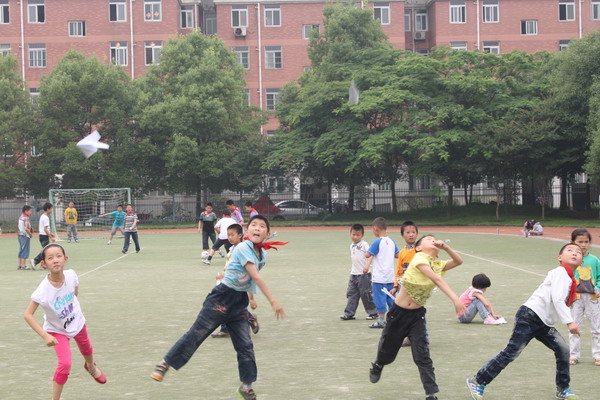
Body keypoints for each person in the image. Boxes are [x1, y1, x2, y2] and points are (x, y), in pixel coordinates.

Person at [150, 215, 286, 400]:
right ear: (246, 231)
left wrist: (251, 299)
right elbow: (255, 277)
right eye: (253, 224)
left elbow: (247, 281)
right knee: (197, 333)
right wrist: (273, 301)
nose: (257, 228)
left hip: (238, 303)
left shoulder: (262, 254)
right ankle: (165, 363)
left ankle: (246, 386)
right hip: (221, 298)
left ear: (267, 233)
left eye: (262, 226)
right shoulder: (243, 247)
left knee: (245, 346)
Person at [466, 243, 583, 400]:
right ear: (559, 257)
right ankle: (478, 381)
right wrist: (570, 322)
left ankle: (563, 389)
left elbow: (560, 301)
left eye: (579, 252)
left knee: (563, 349)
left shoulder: (570, 278)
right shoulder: (561, 272)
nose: (575, 253)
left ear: (582, 261)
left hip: (544, 322)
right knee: (512, 352)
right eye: (570, 250)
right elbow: (557, 299)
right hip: (530, 316)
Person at [369, 235, 464, 400]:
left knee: (422, 354)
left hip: (417, 316)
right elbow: (435, 278)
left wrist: (446, 248)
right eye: (428, 239)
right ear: (419, 247)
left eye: (435, 239)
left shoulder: (437, 264)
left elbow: (458, 261)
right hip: (398, 313)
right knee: (388, 351)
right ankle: (378, 364)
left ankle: (431, 394)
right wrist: (456, 299)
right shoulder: (419, 258)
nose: (433, 240)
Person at [23, 243, 106, 400]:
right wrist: (44, 335)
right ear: (44, 263)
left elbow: (75, 292)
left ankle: (90, 367)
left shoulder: (71, 275)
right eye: (50, 258)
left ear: (65, 259)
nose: (55, 260)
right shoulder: (42, 291)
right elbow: (27, 315)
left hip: (77, 321)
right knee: (65, 364)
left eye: (58, 256)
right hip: (56, 330)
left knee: (87, 347)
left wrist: (71, 311)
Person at [212, 223, 260, 338]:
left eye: (232, 235)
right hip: (228, 282)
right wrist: (224, 275)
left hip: (236, 284)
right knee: (230, 307)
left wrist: (252, 298)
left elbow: (248, 273)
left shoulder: (242, 250)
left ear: (240, 235)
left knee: (224, 305)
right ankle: (249, 318)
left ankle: (227, 328)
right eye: (228, 235)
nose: (229, 237)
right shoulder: (232, 249)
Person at [569, 229, 600, 366]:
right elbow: (566, 277)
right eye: (580, 242)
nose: (583, 245)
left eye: (586, 242)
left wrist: (598, 288)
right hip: (576, 298)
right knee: (575, 326)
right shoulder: (570, 260)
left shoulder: (594, 260)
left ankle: (598, 354)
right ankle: (574, 355)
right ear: (573, 243)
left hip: (593, 298)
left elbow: (599, 277)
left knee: (596, 327)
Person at [366, 217, 399, 328]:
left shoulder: (377, 242)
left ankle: (381, 320)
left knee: (379, 298)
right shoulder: (391, 241)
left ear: (375, 229)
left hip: (379, 277)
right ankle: (395, 319)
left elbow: (368, 254)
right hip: (390, 276)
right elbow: (397, 255)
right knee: (391, 298)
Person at [340, 224, 378, 321]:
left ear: (362, 235)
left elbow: (371, 255)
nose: (355, 237)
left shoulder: (364, 244)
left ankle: (373, 312)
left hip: (364, 275)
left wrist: (367, 266)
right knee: (351, 293)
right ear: (350, 234)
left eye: (358, 235)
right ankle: (349, 313)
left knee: (366, 294)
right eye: (353, 234)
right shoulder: (352, 245)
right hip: (354, 274)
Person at [31, 202, 55, 270]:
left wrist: (50, 233)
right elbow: (45, 229)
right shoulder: (46, 217)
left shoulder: (42, 216)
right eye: (51, 209)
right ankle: (35, 261)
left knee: (45, 251)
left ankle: (43, 265)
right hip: (44, 236)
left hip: (42, 235)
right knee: (45, 251)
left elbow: (44, 228)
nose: (51, 210)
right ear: (48, 209)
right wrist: (51, 237)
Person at [17, 205, 34, 270]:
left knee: (21, 249)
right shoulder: (25, 218)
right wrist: (30, 234)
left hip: (20, 235)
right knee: (25, 250)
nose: (31, 212)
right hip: (24, 235)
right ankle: (23, 265)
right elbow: (26, 228)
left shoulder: (21, 217)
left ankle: (20, 264)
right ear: (26, 211)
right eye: (30, 211)